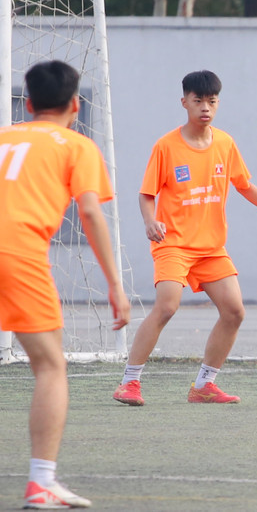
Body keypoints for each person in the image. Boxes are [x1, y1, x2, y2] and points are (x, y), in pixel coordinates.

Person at [113, 70, 257, 407]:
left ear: (218, 103)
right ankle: (129, 382)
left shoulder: (225, 143)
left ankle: (204, 386)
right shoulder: (166, 146)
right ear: (184, 102)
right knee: (167, 307)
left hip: (211, 248)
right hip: (173, 243)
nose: (205, 108)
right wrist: (150, 221)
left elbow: (244, 185)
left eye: (211, 101)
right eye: (198, 101)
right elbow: (146, 194)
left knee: (234, 312)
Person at [0, 61, 131, 508]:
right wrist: (114, 284)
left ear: (28, 103)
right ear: (75, 105)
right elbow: (90, 212)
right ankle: (41, 482)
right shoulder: (77, 145)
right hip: (16, 254)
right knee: (50, 366)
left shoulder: (3, 136)